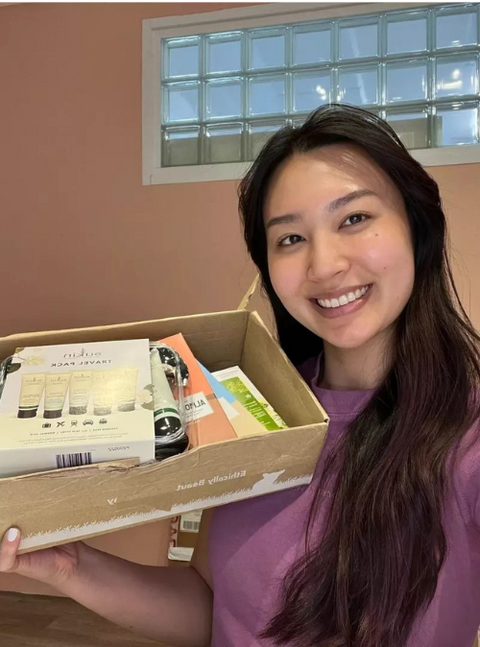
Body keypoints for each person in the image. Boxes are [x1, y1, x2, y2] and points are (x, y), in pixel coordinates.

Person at [1, 104, 480, 647]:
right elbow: (214, 608)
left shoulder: (466, 437)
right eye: (290, 238)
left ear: (417, 227)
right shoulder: (253, 410)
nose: (324, 265)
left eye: (354, 219)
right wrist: (69, 566)